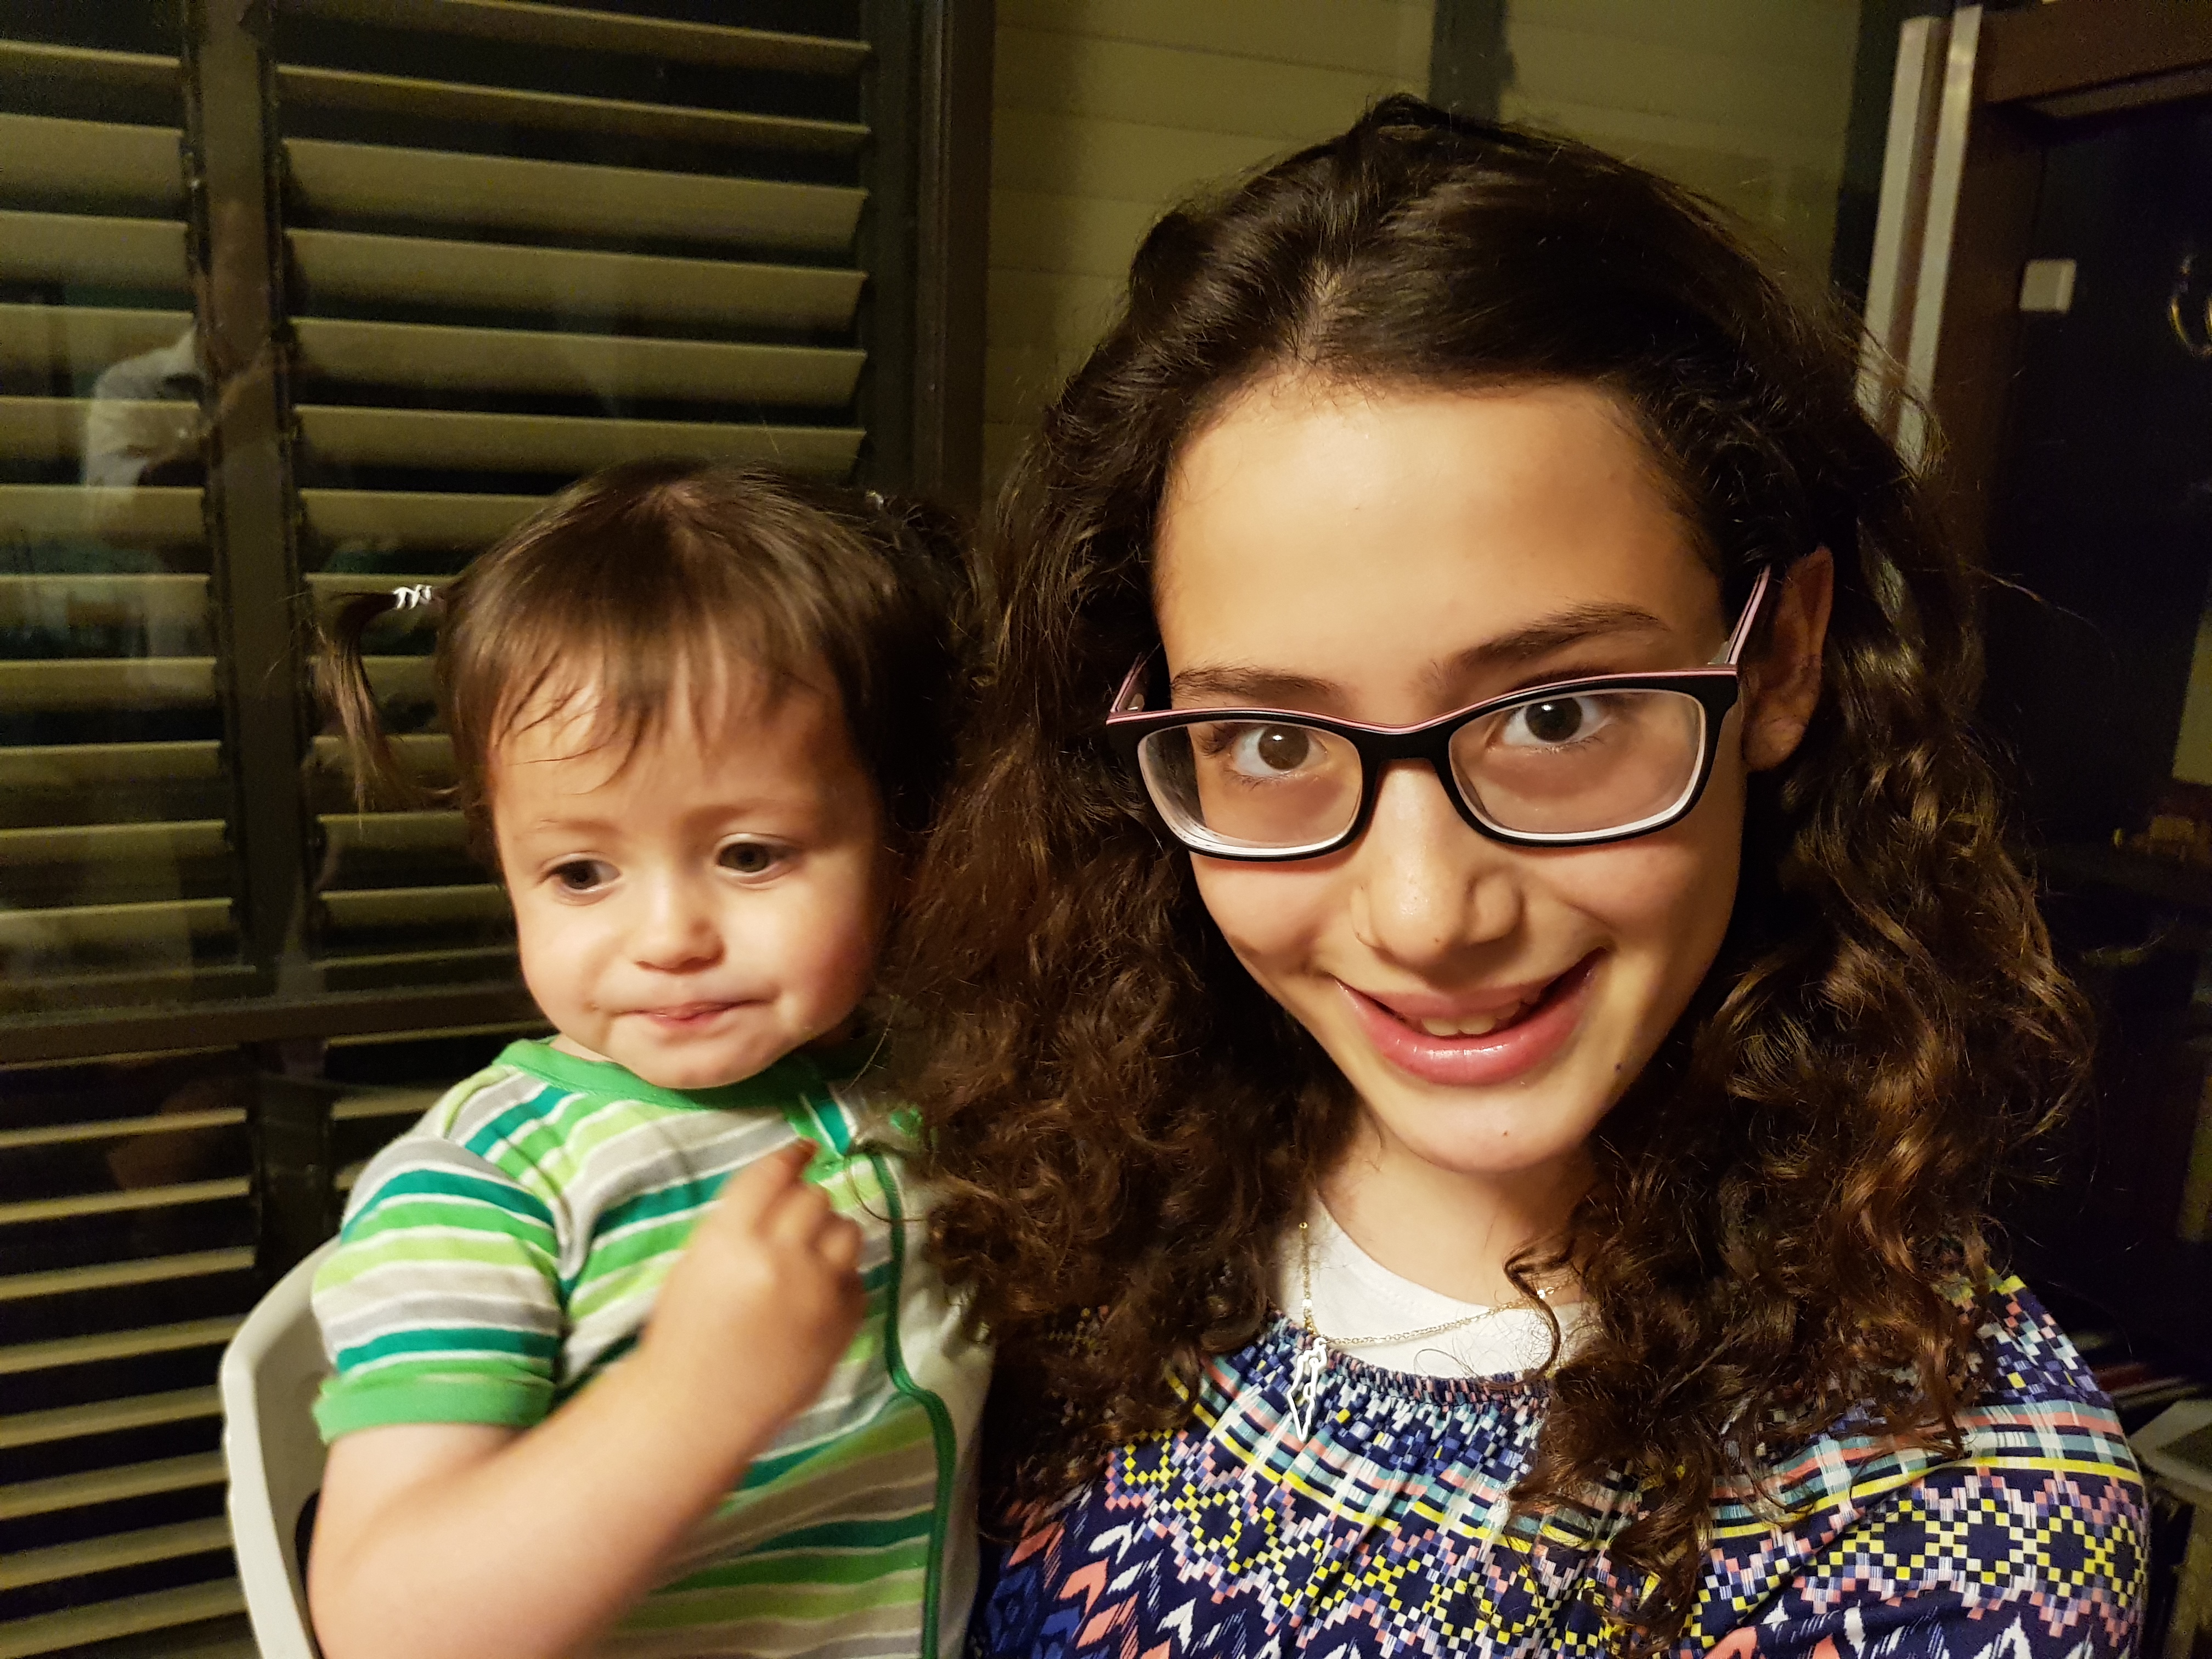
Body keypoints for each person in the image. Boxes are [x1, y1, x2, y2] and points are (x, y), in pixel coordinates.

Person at [901, 99, 2147, 1658]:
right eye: (1272, 739)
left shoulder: (1957, 1529)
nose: (1426, 914)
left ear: (1779, 659)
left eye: (1558, 717)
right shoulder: (1071, 1227)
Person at [304, 460, 988, 1659]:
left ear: (904, 846)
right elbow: (384, 1626)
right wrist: (692, 1397)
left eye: (750, 854)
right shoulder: (486, 1188)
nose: (668, 937)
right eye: (581, 872)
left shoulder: (905, 1076)